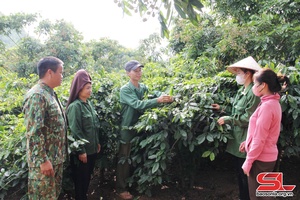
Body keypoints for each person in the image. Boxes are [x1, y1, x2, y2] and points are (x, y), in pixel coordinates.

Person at [116, 60, 173, 199]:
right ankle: (121, 189)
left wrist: (166, 96)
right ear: (128, 73)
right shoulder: (125, 89)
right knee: (124, 160)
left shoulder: (143, 88)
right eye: (136, 71)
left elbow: (155, 93)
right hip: (127, 130)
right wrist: (158, 100)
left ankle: (135, 185)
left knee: (136, 159)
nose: (139, 73)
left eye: (140, 70)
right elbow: (138, 104)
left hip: (140, 130)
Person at [211, 56, 261, 200]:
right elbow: (237, 111)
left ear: (248, 74)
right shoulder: (242, 91)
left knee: (246, 177)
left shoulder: (254, 92)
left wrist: (228, 119)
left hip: (244, 140)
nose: (237, 75)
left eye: (239, 72)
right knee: (239, 175)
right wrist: (222, 108)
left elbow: (249, 118)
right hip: (236, 139)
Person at [239, 69, 289, 200]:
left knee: (258, 196)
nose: (253, 87)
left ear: (263, 85)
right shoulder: (272, 103)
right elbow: (261, 133)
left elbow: (260, 138)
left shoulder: (267, 106)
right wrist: (247, 143)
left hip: (260, 159)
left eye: (255, 84)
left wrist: (248, 162)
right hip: (264, 156)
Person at [23, 56, 67, 200]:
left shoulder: (50, 94)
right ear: (50, 72)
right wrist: (43, 160)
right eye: (60, 72)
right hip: (44, 165)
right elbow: (34, 132)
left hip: (55, 160)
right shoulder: (37, 95)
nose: (62, 76)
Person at [66, 69, 101, 200]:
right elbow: (75, 130)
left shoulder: (88, 104)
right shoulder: (75, 107)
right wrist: (81, 151)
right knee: (80, 182)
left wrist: (97, 142)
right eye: (87, 88)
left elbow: (93, 126)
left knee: (86, 179)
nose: (90, 90)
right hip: (83, 153)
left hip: (91, 149)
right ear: (79, 89)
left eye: (90, 87)